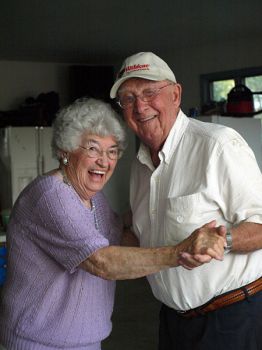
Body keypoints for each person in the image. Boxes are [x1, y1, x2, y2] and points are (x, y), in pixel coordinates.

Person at [0, 97, 225, 350]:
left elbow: (121, 238)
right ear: (65, 150)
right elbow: (103, 261)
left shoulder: (95, 199)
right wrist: (180, 251)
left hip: (84, 341)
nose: (104, 161)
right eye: (93, 149)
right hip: (37, 342)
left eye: (112, 151)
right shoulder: (51, 196)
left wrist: (167, 212)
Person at [110, 52, 262, 350]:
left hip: (230, 320)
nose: (140, 107)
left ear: (176, 95)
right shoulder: (139, 166)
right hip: (173, 322)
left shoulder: (217, 145)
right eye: (128, 99)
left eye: (150, 93)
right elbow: (144, 235)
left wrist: (224, 240)